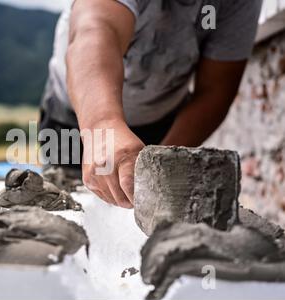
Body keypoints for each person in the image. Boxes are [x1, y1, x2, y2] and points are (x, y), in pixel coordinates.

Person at [39, 0, 263, 208]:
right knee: (65, 213)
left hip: (160, 122)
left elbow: (215, 89)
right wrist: (102, 125)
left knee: (140, 217)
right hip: (77, 119)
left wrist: (160, 161)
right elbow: (96, 29)